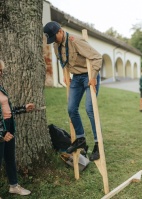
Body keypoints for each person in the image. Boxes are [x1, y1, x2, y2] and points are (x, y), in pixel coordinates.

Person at [43, 21, 102, 161]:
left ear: (60, 31)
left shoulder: (75, 41)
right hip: (76, 78)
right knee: (71, 109)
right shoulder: (56, 45)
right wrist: (65, 75)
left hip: (89, 75)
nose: (54, 41)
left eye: (54, 37)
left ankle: (98, 144)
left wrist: (93, 77)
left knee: (90, 109)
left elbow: (97, 57)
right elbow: (62, 61)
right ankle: (80, 139)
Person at [0, 60, 35, 196]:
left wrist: (23, 108)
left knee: (10, 158)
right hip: (2, 130)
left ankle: (14, 186)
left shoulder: (1, 88)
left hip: (8, 126)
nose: (0, 73)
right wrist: (1, 133)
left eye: (1, 71)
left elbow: (7, 110)